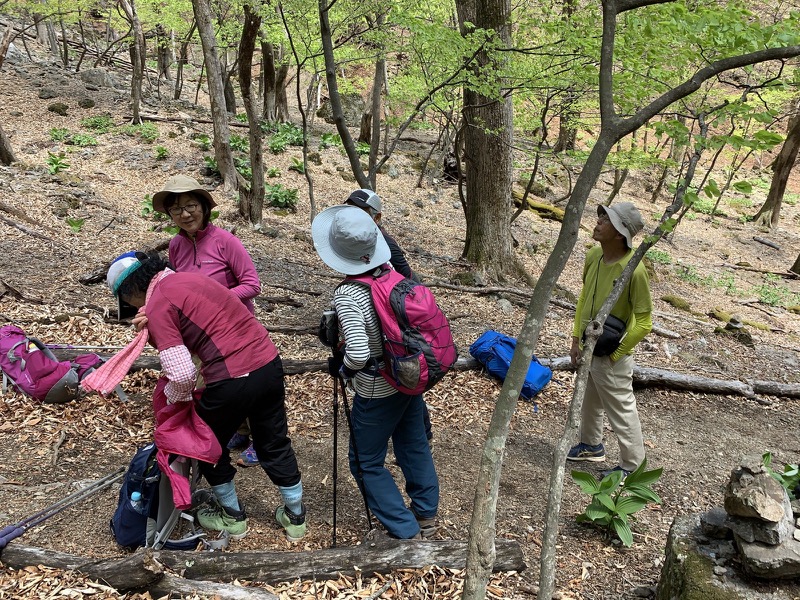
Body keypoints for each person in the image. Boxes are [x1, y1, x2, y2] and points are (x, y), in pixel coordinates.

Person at [105, 251, 307, 541]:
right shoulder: (190, 279)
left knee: (207, 446)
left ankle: (232, 518)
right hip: (268, 363)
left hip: (230, 377)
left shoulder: (160, 303)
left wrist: (175, 399)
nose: (132, 307)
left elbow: (183, 374)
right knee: (273, 441)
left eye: (127, 301)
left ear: (131, 290)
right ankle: (295, 517)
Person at [311, 206, 439, 539]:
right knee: (413, 444)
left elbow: (357, 352)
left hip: (376, 387)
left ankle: (404, 530)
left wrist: (342, 369)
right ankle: (425, 515)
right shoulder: (391, 273)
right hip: (407, 378)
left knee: (365, 462)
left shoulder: (349, 292)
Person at [152, 174, 261, 468]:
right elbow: (175, 284)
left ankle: (262, 441)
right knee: (215, 385)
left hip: (234, 331)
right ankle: (239, 431)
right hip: (198, 333)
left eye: (191, 206)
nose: (185, 214)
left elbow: (252, 284)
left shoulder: (226, 241)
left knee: (244, 385)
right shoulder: (176, 245)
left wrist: (215, 300)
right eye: (177, 209)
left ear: (204, 206)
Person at [567, 202, 653, 479]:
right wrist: (575, 339)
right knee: (590, 397)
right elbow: (583, 297)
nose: (599, 221)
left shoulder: (634, 270)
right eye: (601, 215)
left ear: (620, 233)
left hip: (611, 350)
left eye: (607, 219)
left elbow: (644, 321)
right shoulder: (593, 255)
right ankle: (591, 445)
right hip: (589, 344)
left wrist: (618, 354)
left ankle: (633, 466)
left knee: (621, 408)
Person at [344, 189, 433, 448]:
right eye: (349, 209)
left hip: (394, 320)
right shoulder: (354, 241)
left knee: (402, 373)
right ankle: (417, 433)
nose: (353, 215)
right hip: (379, 317)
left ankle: (422, 433)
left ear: (377, 217)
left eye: (360, 211)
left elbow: (408, 280)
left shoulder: (385, 243)